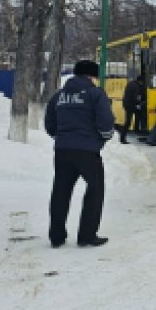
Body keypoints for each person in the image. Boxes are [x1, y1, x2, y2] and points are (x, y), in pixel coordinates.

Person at [45, 60, 115, 248]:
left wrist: (61, 137)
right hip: (87, 151)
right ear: (92, 76)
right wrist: (102, 139)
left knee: (60, 191)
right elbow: (106, 122)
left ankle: (56, 236)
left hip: (62, 151)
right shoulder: (95, 94)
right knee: (95, 189)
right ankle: (87, 235)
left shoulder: (58, 96)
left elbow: (49, 124)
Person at [119, 74, 145, 144]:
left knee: (138, 115)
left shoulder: (130, 83)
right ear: (141, 81)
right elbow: (135, 97)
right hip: (130, 106)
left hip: (127, 104)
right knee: (128, 122)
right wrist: (138, 103)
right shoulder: (136, 87)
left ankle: (136, 129)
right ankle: (122, 138)